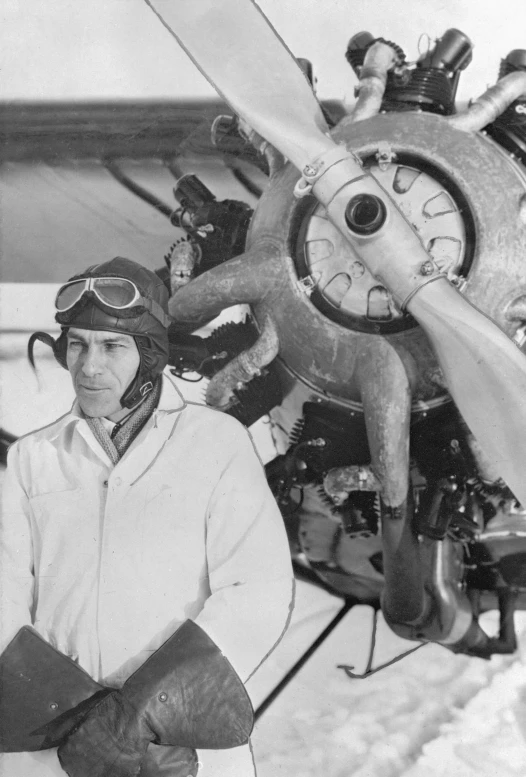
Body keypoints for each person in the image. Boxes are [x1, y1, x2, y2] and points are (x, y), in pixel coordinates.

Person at [0, 257, 294, 777]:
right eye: (77, 344)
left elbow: (258, 588)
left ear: (151, 355)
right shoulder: (31, 458)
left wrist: (140, 717)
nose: (89, 366)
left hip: (179, 751)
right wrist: (73, 716)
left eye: (113, 346)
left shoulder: (218, 445)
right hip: (56, 750)